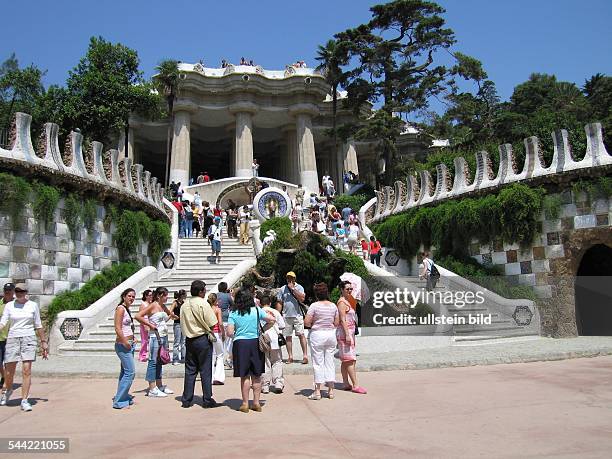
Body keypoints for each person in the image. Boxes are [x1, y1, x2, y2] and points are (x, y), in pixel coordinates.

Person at [0, 283, 48, 411]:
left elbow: (38, 324)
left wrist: (43, 342)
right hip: (13, 338)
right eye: (17, 291)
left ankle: (24, 399)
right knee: (9, 371)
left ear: (27, 292)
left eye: (22, 291)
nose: (19, 293)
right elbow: (3, 322)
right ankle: (8, 389)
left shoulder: (33, 305)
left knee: (26, 370)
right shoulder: (10, 306)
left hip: (28, 337)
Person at [227, 287, 275, 413]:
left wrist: (238, 331)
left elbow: (230, 332)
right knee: (257, 375)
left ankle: (244, 403)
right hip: (255, 342)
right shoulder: (257, 310)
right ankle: (256, 402)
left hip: (240, 344)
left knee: (244, 375)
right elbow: (272, 319)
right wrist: (262, 329)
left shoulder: (233, 313)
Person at [180, 280, 219, 409]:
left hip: (189, 339)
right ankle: (207, 399)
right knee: (205, 370)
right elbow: (212, 323)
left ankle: (186, 399)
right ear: (201, 291)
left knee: (190, 370)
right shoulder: (203, 304)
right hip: (202, 339)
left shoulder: (184, 305)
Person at [135, 287, 177, 398]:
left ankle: (159, 385)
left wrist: (173, 315)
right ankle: (152, 387)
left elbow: (168, 314)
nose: (167, 297)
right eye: (165, 295)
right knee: (153, 361)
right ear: (159, 295)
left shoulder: (162, 305)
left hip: (163, 336)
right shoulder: (153, 305)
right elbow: (138, 316)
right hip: (155, 336)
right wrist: (149, 325)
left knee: (160, 360)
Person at [304, 282, 339, 400]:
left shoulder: (314, 306)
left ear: (316, 294)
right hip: (330, 334)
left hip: (317, 334)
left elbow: (307, 322)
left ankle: (317, 391)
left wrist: (315, 322)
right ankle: (331, 391)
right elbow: (336, 322)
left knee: (318, 363)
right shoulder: (333, 306)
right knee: (329, 361)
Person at [336, 281, 367, 394]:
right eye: (347, 289)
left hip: (348, 332)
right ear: (342, 289)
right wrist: (348, 335)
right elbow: (342, 320)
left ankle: (345, 383)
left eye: (351, 289)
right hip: (345, 333)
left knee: (345, 360)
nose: (349, 291)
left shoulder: (347, 301)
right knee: (350, 360)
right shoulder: (342, 302)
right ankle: (355, 385)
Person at [113, 288, 137, 409]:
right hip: (123, 345)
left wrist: (134, 338)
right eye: (129, 296)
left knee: (125, 372)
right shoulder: (120, 309)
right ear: (124, 296)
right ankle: (119, 401)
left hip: (129, 343)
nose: (131, 298)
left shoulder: (126, 309)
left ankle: (122, 396)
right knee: (130, 372)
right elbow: (117, 328)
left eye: (133, 296)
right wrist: (125, 342)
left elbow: (127, 326)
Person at [277, 271, 308, 365]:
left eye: (291, 278)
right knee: (288, 337)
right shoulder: (282, 289)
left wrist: (293, 289)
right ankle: (290, 356)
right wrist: (278, 314)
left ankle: (305, 356)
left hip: (297, 315)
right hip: (286, 315)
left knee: (301, 335)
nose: (289, 280)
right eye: (288, 278)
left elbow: (302, 299)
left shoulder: (300, 287)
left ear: (294, 279)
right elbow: (280, 302)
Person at [261, 295, 285, 394]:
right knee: (277, 361)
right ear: (270, 303)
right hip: (275, 338)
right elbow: (282, 325)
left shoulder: (258, 312)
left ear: (260, 303)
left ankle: (265, 385)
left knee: (265, 362)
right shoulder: (275, 312)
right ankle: (278, 383)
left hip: (263, 338)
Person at [208, 293, 225, 385]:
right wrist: (223, 333)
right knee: (220, 354)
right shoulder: (217, 310)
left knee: (212, 355)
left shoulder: (207, 309)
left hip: (209, 332)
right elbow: (220, 323)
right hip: (217, 332)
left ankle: (210, 377)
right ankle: (219, 377)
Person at [217, 282, 234, 369]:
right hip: (226, 319)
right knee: (227, 341)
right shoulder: (227, 296)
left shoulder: (215, 296)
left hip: (216, 320)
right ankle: (227, 359)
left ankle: (219, 359)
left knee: (219, 340)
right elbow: (233, 305)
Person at [0, 283, 14, 388]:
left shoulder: (16, 304)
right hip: (0, 336)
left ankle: (6, 380)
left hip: (11, 337)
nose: (7, 292)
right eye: (6, 290)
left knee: (8, 361)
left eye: (9, 290)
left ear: (13, 291)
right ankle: (4, 377)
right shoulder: (0, 303)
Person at [169, 290, 187, 365]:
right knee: (177, 342)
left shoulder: (183, 303)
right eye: (185, 294)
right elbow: (170, 311)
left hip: (183, 324)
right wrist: (174, 317)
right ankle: (175, 359)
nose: (186, 295)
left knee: (183, 342)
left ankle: (184, 358)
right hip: (177, 324)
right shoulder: (175, 303)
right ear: (182, 295)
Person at [138, 290, 153, 362]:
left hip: (150, 323)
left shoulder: (151, 303)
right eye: (149, 295)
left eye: (151, 295)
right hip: (144, 323)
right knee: (144, 340)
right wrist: (145, 325)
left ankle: (149, 354)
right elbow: (140, 316)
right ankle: (142, 355)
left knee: (150, 340)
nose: (151, 296)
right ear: (146, 296)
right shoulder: (143, 304)